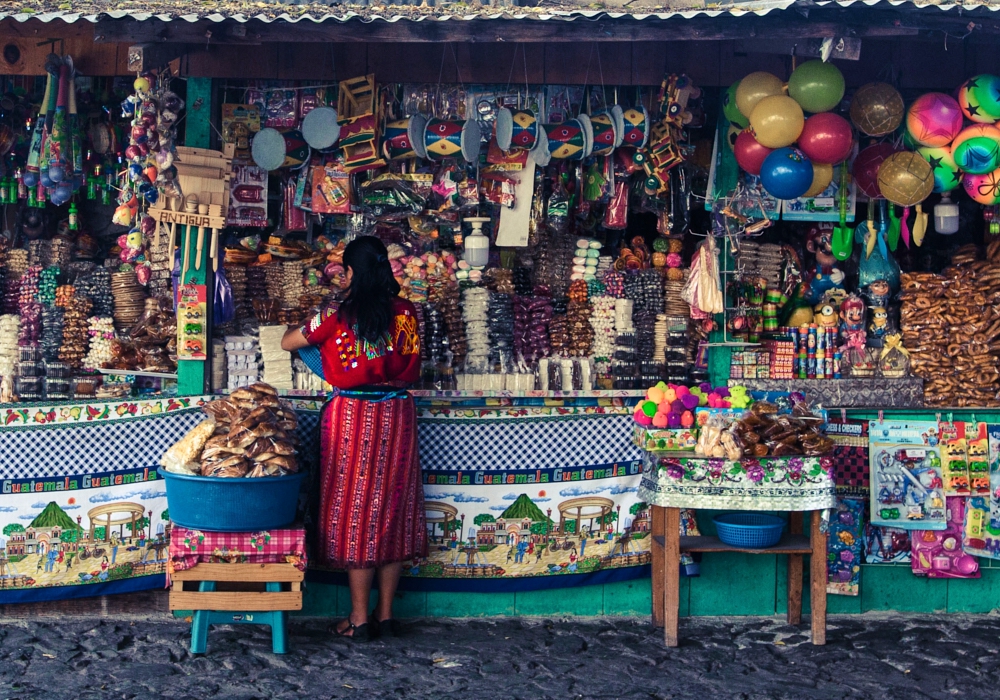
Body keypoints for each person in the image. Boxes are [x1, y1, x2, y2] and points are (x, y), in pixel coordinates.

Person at [282, 236, 425, 641]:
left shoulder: (336, 313)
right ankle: (385, 615)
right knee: (394, 507)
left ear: (350, 272)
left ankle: (359, 619)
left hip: (354, 417)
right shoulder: (407, 312)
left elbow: (288, 342)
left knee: (356, 511)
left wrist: (321, 349)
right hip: (397, 414)